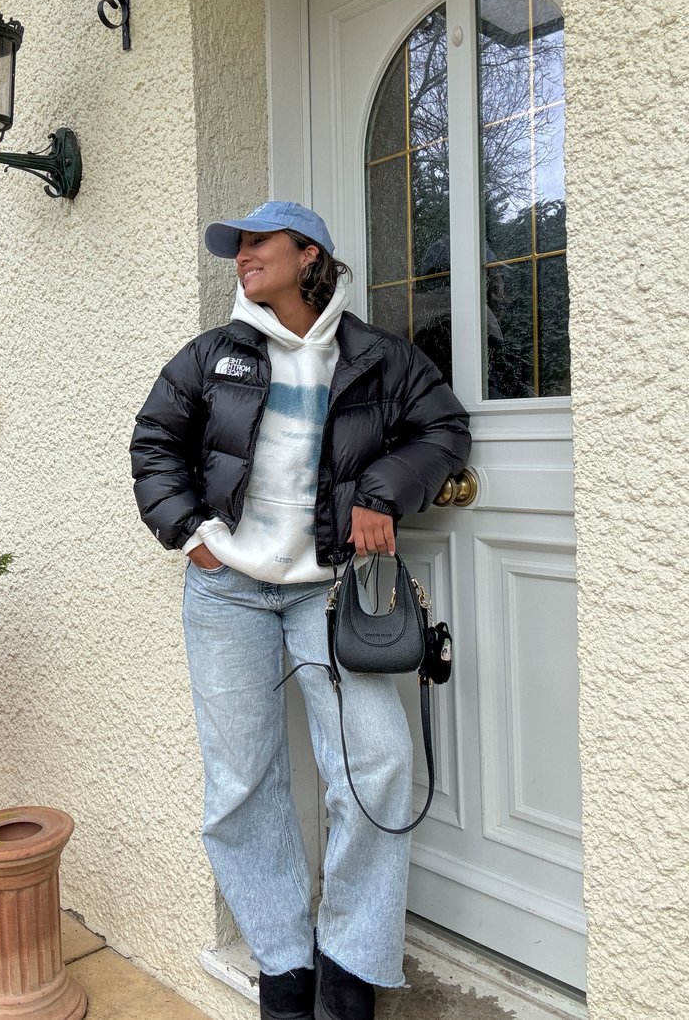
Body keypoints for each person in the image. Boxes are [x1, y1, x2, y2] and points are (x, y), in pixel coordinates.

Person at [130, 201, 470, 1020]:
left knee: (377, 764)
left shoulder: (379, 357)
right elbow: (154, 444)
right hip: (227, 592)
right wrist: (191, 532)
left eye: (257, 243)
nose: (242, 257)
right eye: (236, 247)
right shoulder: (212, 357)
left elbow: (444, 431)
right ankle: (284, 970)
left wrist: (385, 492)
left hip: (328, 591)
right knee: (243, 782)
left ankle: (349, 965)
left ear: (306, 253)